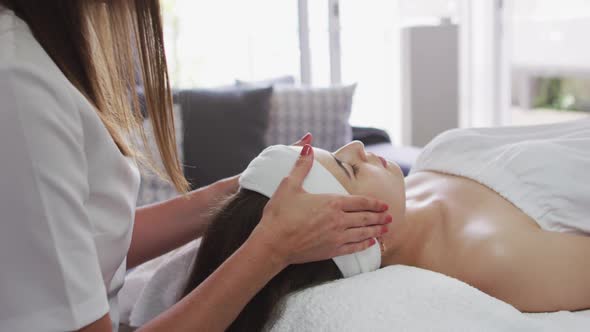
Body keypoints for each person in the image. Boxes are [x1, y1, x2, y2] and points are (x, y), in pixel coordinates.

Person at [0, 2, 393, 331]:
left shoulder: (38, 60)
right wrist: (271, 249)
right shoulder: (20, 87)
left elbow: (84, 244)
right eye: (347, 167)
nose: (357, 145)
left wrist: (239, 189)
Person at [185, 121, 590, 331]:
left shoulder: (426, 172)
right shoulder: (493, 256)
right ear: (354, 235)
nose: (358, 147)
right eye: (348, 168)